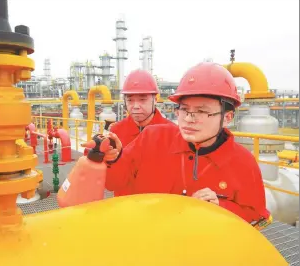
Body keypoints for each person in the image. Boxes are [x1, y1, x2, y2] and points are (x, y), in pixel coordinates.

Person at [100, 62, 270, 225]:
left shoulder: (243, 163)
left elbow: (255, 215)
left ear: (227, 117)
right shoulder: (153, 138)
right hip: (145, 236)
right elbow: (113, 183)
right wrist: (113, 159)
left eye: (201, 111)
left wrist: (221, 207)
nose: (189, 119)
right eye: (184, 109)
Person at [108, 69, 175, 196]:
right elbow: (111, 184)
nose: (136, 106)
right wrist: (109, 160)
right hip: (125, 207)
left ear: (155, 99)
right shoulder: (116, 131)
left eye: (142, 100)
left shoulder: (171, 133)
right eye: (130, 100)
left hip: (159, 208)